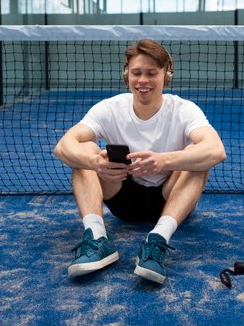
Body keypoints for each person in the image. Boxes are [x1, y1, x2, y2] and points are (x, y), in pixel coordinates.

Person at [54, 38, 226, 285]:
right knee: (83, 149)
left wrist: (164, 161)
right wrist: (95, 161)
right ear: (127, 75)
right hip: (122, 196)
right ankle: (97, 238)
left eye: (151, 73)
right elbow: (63, 146)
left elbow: (216, 150)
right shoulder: (109, 108)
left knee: (198, 156)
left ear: (166, 76)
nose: (143, 81)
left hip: (169, 198)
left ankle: (158, 239)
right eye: (136, 73)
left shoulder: (184, 109)